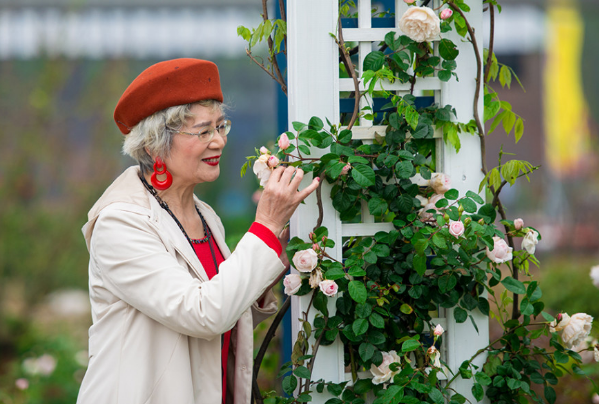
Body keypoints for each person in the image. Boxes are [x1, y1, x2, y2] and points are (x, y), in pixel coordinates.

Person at [76, 58, 319, 404]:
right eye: (203, 131)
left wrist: (272, 242)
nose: (218, 142)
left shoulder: (205, 215)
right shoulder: (120, 223)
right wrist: (264, 226)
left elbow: (227, 312)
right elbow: (203, 314)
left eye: (221, 127)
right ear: (154, 144)